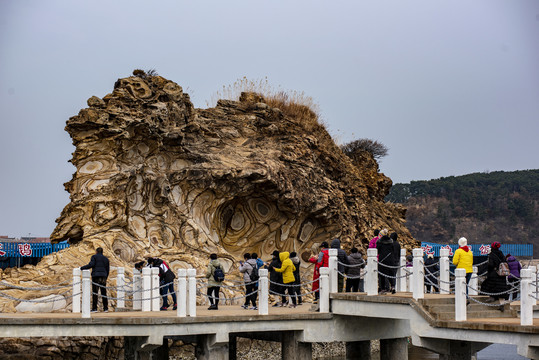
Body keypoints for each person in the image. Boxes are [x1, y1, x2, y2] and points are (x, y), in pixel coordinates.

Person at [81, 247, 110, 313]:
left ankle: (94, 308)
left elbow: (91, 264)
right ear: (102, 252)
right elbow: (107, 269)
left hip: (96, 276)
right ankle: (106, 308)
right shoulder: (106, 259)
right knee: (103, 292)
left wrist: (82, 268)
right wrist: (106, 277)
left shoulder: (94, 257)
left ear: (96, 251)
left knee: (95, 292)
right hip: (103, 276)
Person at [376, 229, 396, 294]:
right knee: (391, 274)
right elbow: (393, 251)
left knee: (382, 275)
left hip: (382, 260)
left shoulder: (379, 242)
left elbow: (377, 251)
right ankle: (392, 286)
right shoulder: (391, 241)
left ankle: (383, 288)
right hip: (390, 259)